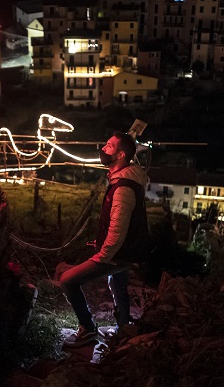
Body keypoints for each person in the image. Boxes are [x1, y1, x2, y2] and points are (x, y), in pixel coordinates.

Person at [60, 131, 148, 347]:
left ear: (120, 155)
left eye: (109, 146)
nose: (103, 150)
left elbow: (118, 229)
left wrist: (103, 256)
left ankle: (88, 330)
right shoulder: (124, 179)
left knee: (67, 280)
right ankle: (124, 328)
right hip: (123, 251)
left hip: (118, 254)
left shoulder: (124, 187)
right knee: (117, 282)